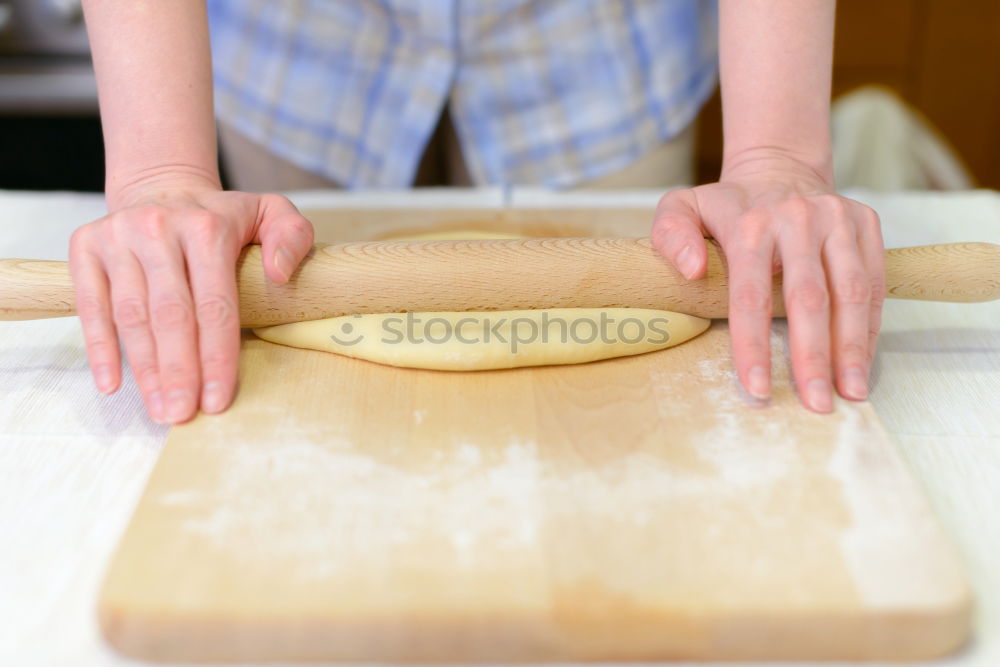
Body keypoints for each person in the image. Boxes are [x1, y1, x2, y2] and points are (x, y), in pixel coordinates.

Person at [70, 0, 884, 424]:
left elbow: (772, 168)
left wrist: (777, 157)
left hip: (600, 44)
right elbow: (167, 182)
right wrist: (162, 171)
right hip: (302, 45)